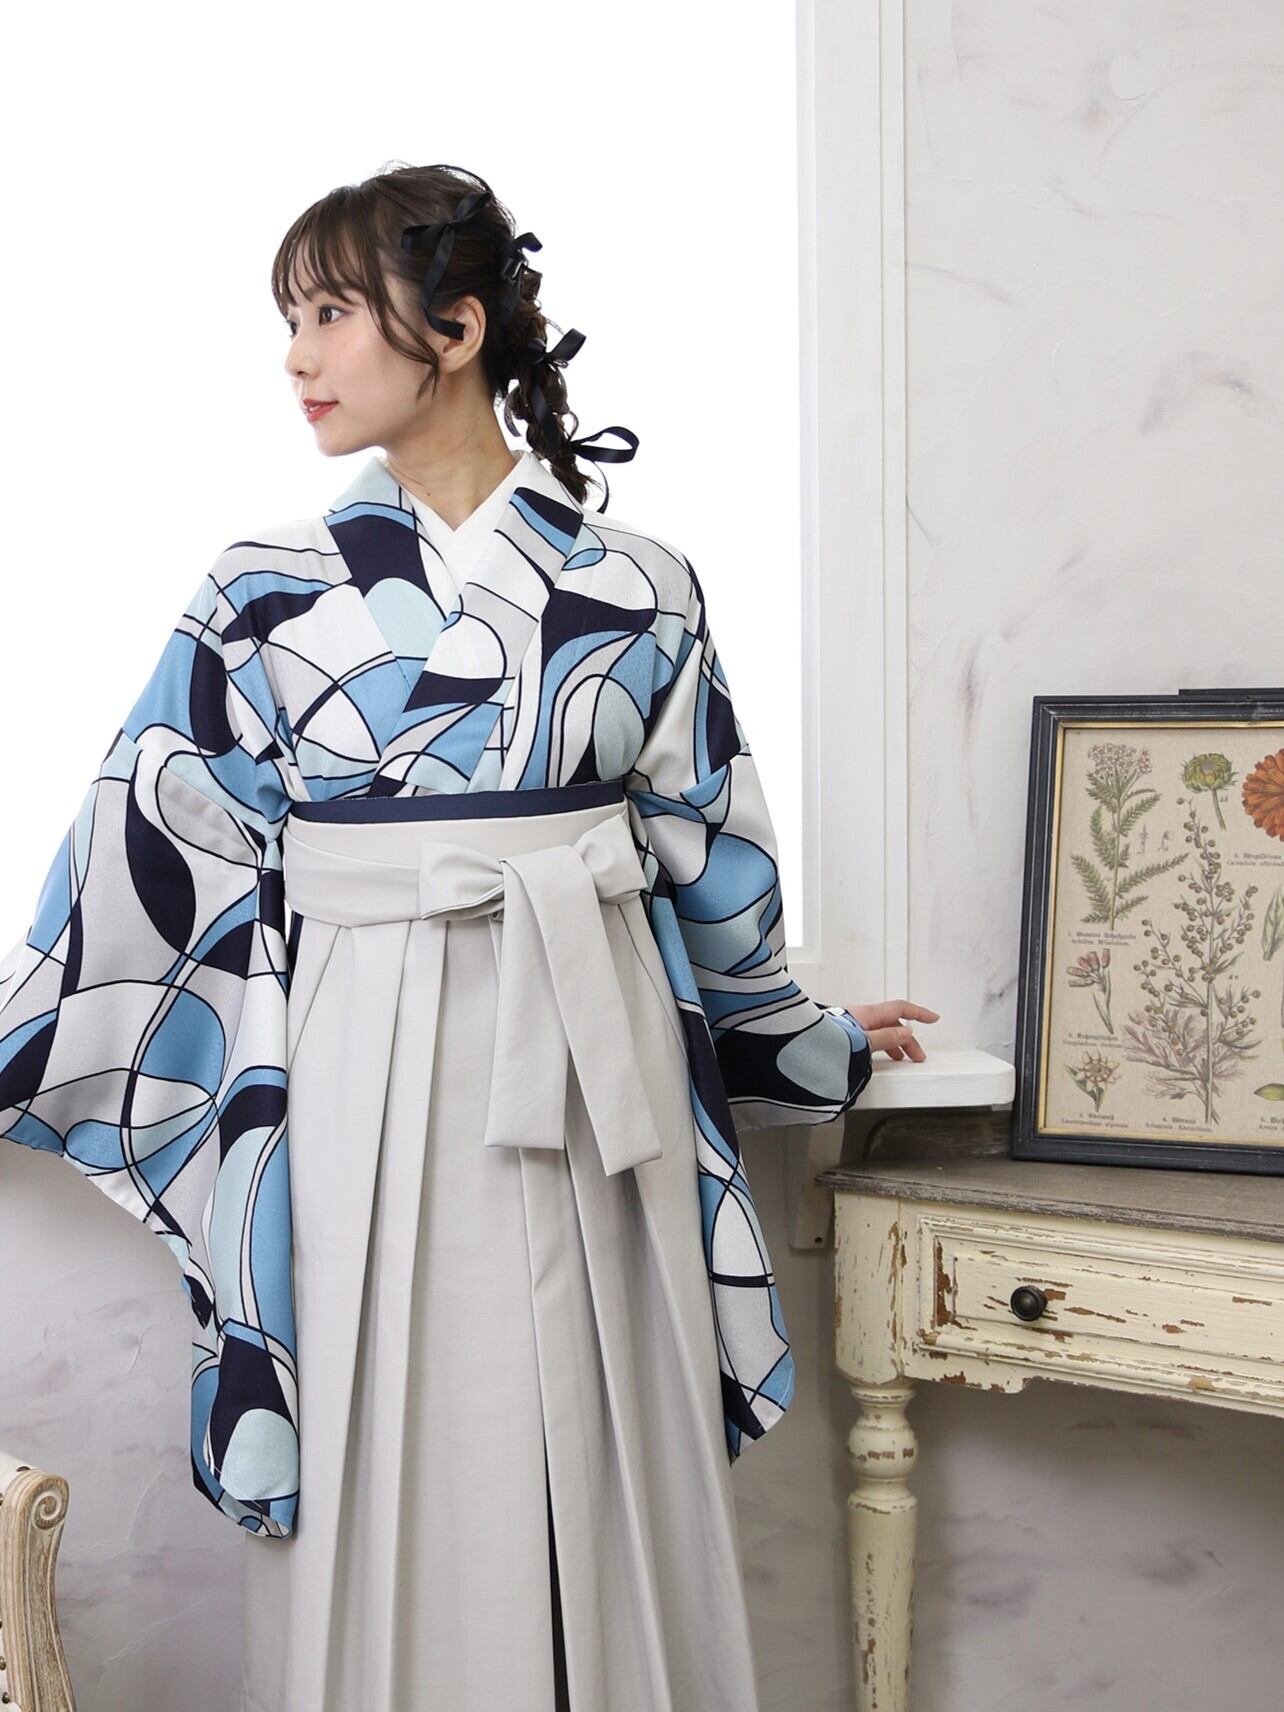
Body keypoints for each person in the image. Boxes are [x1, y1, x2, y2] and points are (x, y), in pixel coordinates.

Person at [0, 160, 938, 1711]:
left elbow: (708, 854)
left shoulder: (641, 585)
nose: (296, 357)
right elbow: (149, 845)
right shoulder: (260, 590)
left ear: (453, 327)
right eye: (289, 320)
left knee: (604, 1427)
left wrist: (804, 1037)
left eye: (327, 314)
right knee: (375, 1416)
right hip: (357, 1048)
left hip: (591, 1043)